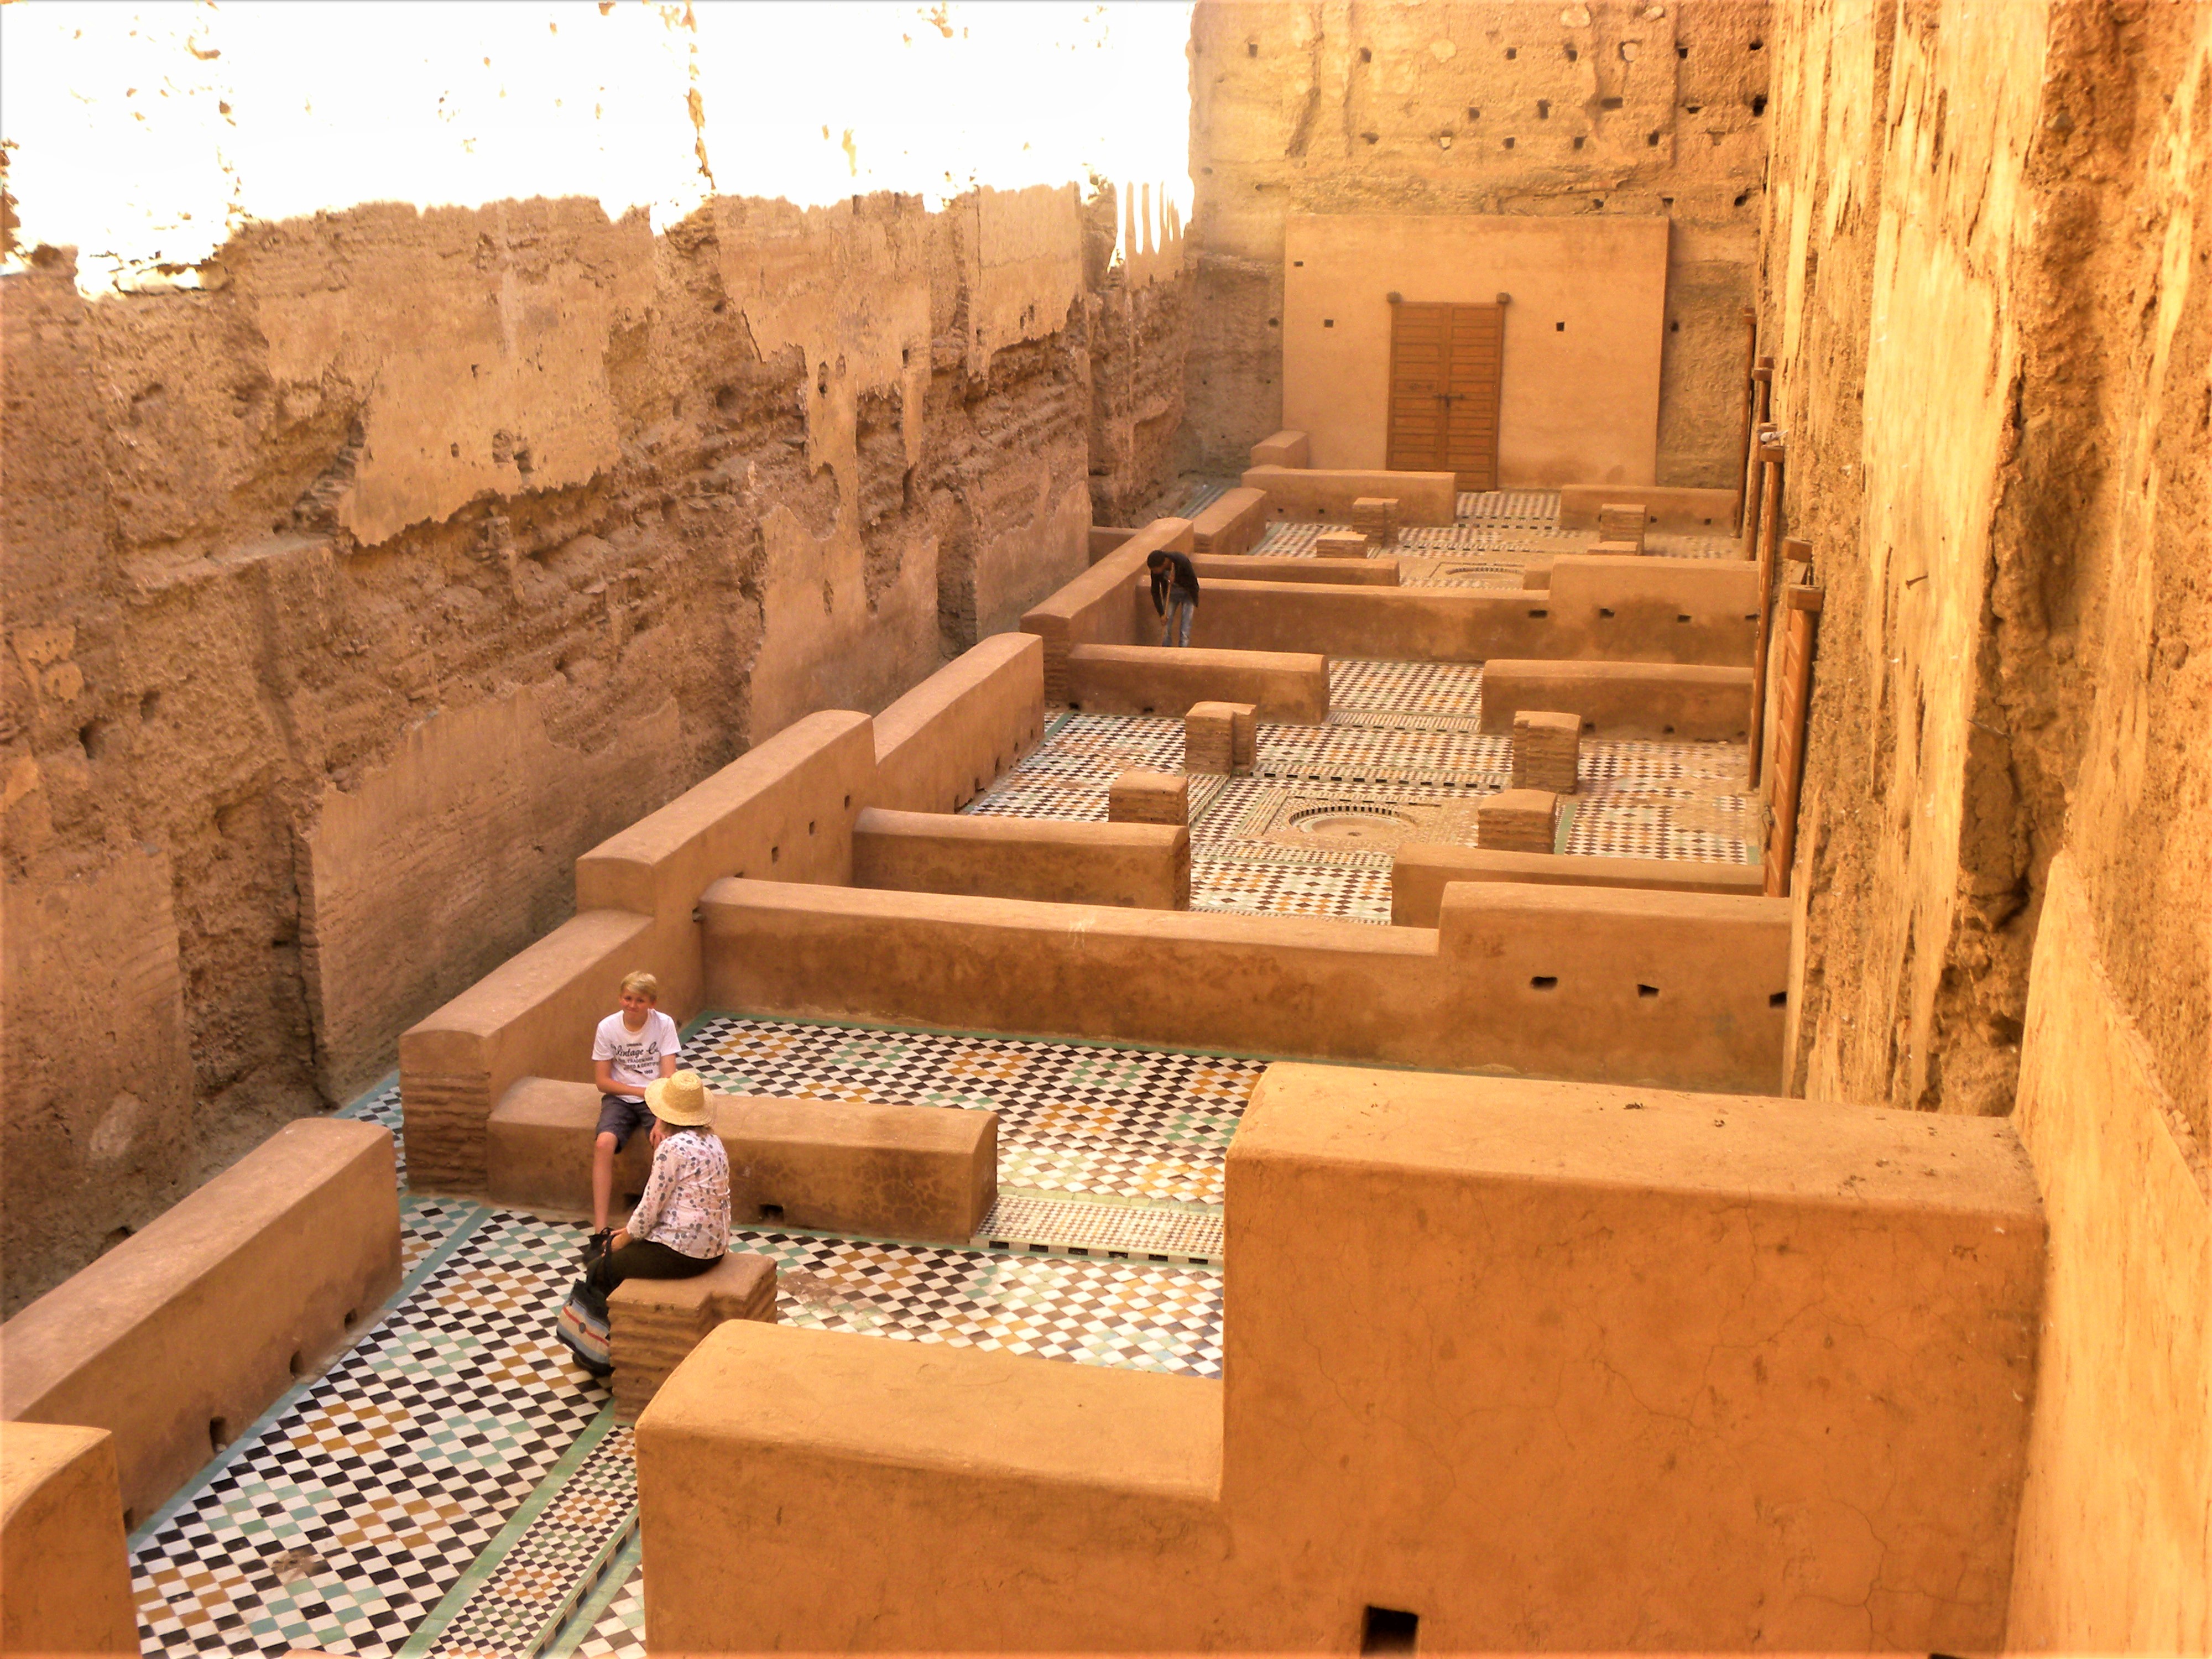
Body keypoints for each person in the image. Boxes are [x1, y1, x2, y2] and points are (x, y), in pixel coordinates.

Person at [587, 1069, 729, 1293]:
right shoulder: (713, 1141)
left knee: (599, 1268)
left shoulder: (671, 1148)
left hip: (684, 1253)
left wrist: (619, 1243)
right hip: (715, 1248)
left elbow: (650, 1208)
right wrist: (629, 1232)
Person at [589, 971, 681, 1252]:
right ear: (620, 998)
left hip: (657, 1097)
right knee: (603, 1143)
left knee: (664, 1145)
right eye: (628, 998)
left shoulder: (663, 1024)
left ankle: (655, 1223)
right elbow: (602, 1081)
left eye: (640, 1000)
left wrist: (661, 1118)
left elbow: (668, 1076)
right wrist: (641, 1092)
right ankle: (599, 1229)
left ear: (652, 1003)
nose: (632, 1005)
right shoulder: (607, 1027)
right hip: (621, 1097)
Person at [1147, 547, 1200, 648]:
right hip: (1171, 595)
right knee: (1166, 627)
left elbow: (1193, 582)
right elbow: (1155, 591)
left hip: (1188, 595)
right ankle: (1166, 650)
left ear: (1163, 564)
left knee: (1185, 629)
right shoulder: (1156, 571)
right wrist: (1161, 613)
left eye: (1155, 570)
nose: (1154, 572)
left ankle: (1183, 651)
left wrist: (1176, 580)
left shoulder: (1181, 561)